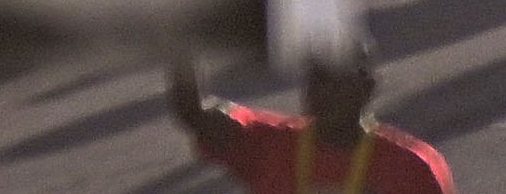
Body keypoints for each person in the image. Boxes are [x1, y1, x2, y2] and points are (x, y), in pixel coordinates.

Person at [169, 40, 461, 194]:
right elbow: (195, 113)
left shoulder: (412, 167)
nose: (327, 92)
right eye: (318, 80)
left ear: (368, 86)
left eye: (339, 80)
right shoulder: (270, 144)